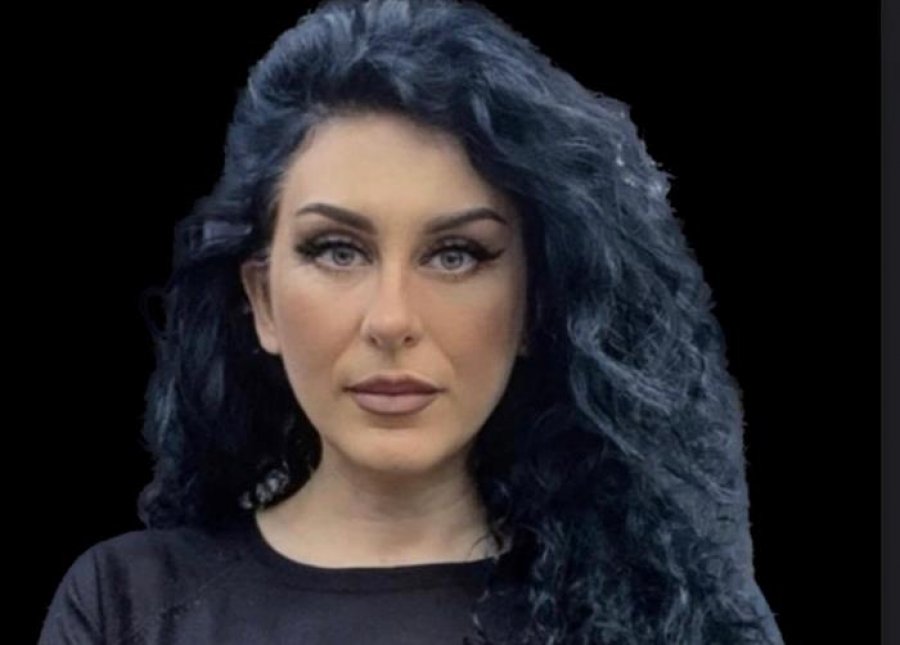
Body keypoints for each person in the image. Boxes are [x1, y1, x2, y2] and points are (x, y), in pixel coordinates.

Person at [39, 0, 785, 643]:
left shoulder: (674, 617)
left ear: (535, 305)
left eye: (456, 255)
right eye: (338, 250)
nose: (392, 318)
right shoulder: (125, 605)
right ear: (262, 301)